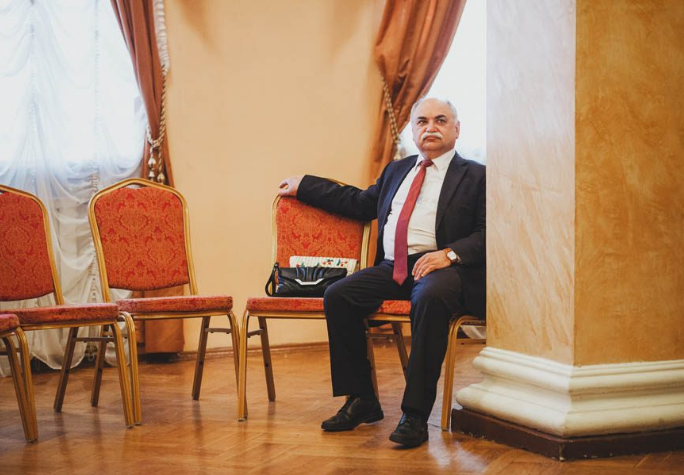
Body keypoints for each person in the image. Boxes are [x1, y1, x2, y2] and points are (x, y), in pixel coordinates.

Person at [278, 97, 485, 448]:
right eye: (422, 121)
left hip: (443, 270)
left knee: (431, 297)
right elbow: (359, 203)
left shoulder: (477, 176)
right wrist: (306, 185)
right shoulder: (396, 170)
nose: (430, 128)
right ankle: (362, 400)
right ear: (412, 130)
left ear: (456, 129)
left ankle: (415, 415)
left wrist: (448, 254)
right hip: (394, 267)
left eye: (440, 120)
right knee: (339, 295)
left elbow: (488, 231)